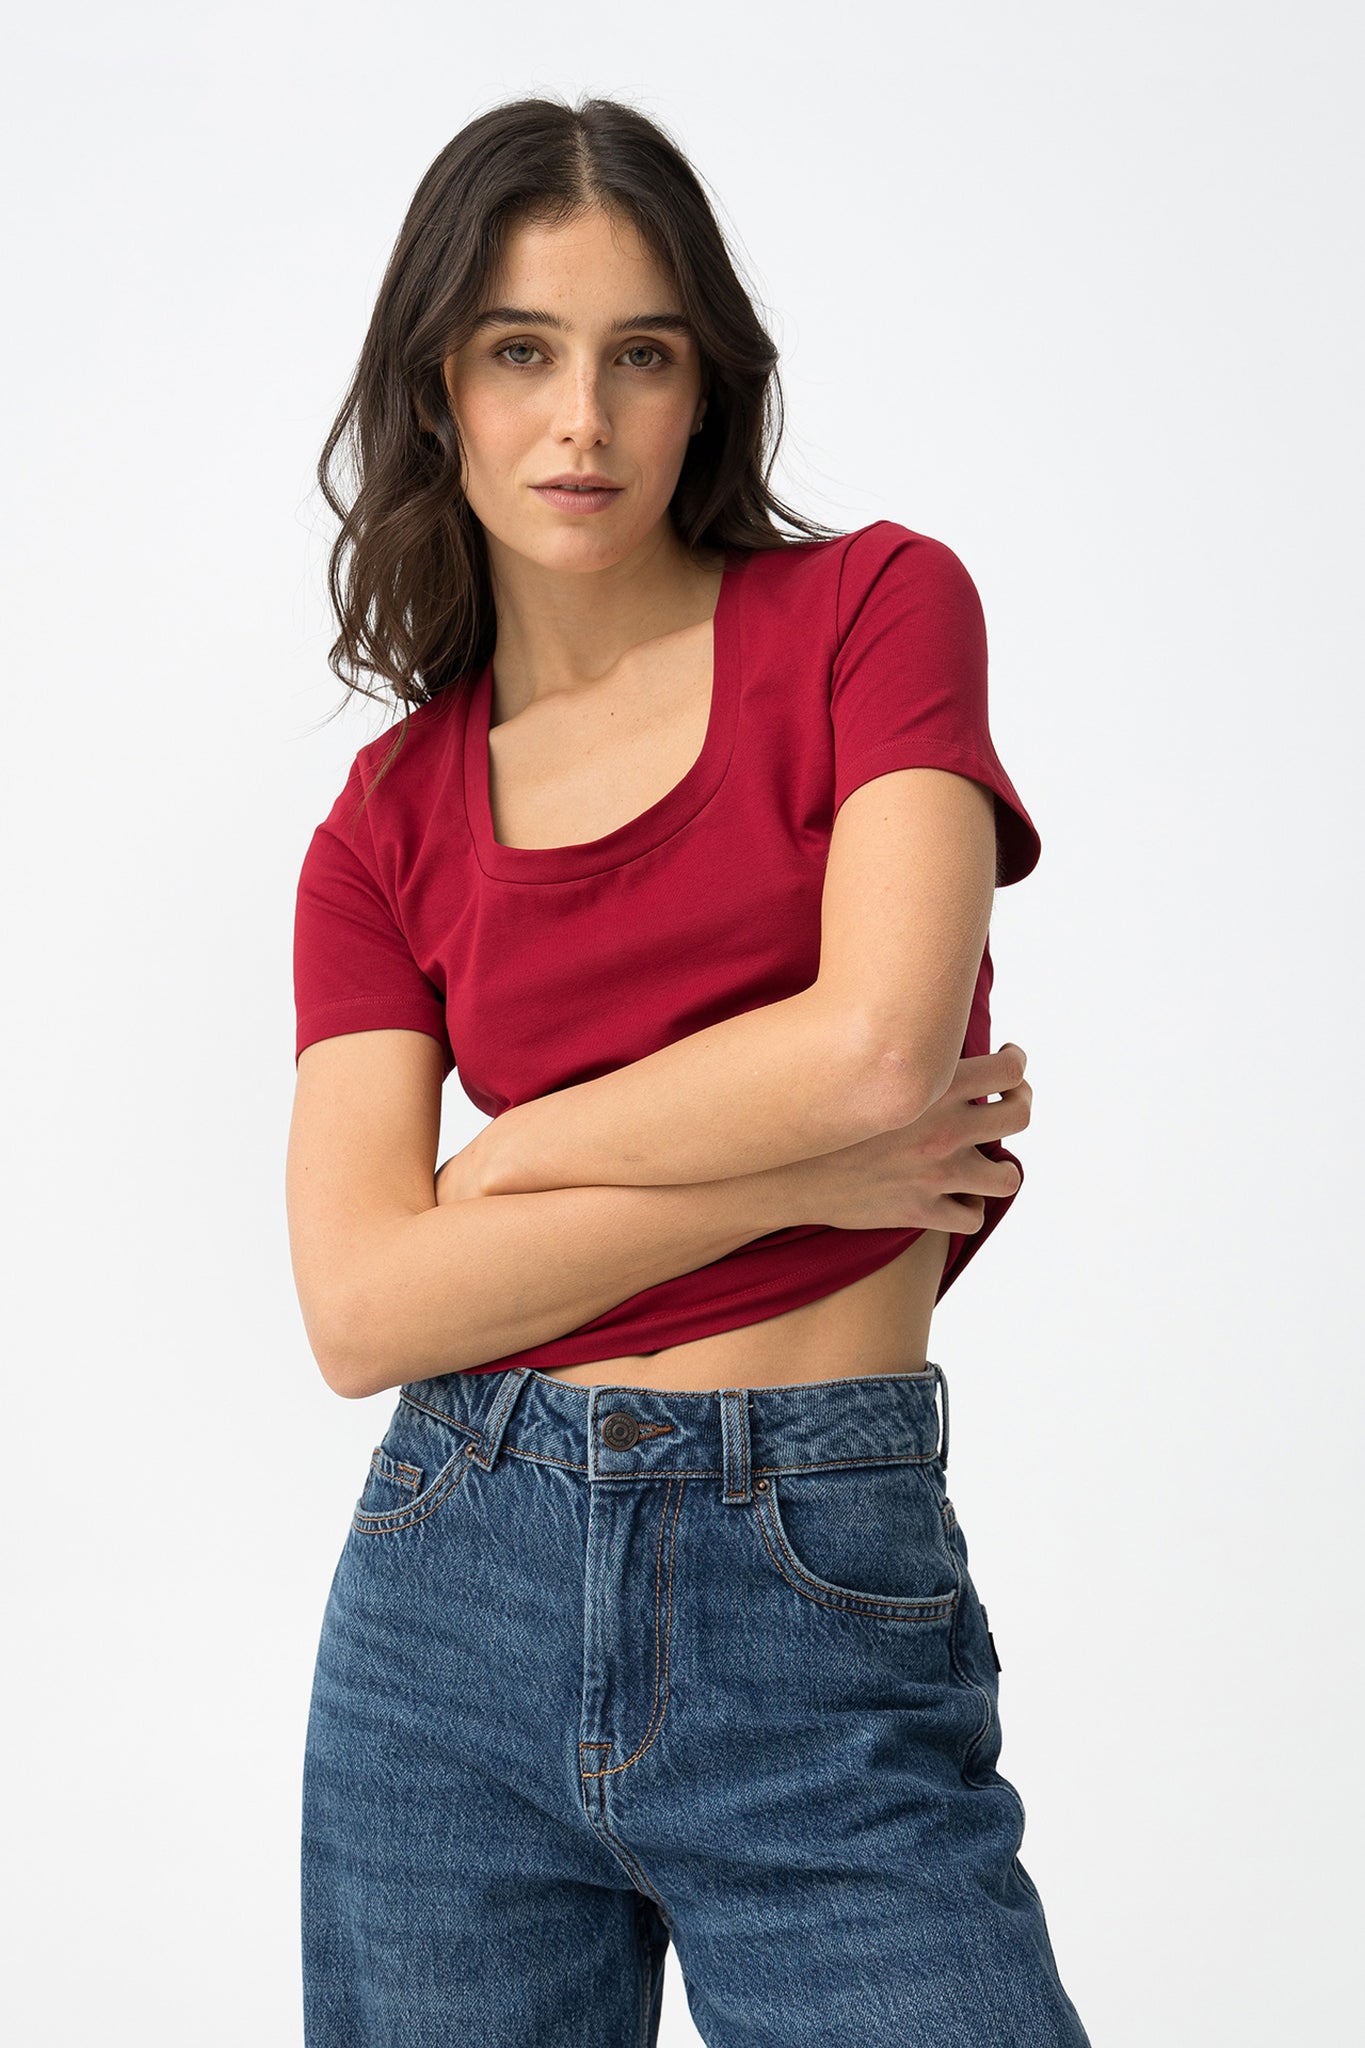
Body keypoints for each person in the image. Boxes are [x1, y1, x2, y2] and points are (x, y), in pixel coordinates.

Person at [287, 92, 1091, 2047]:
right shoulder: (383, 823)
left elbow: (876, 1049)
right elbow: (364, 1306)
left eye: (638, 355)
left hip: (814, 1579)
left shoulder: (872, 612)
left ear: (704, 384)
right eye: (521, 351)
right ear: (436, 390)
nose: (582, 419)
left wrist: (507, 1164)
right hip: (450, 1599)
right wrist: (795, 1178)